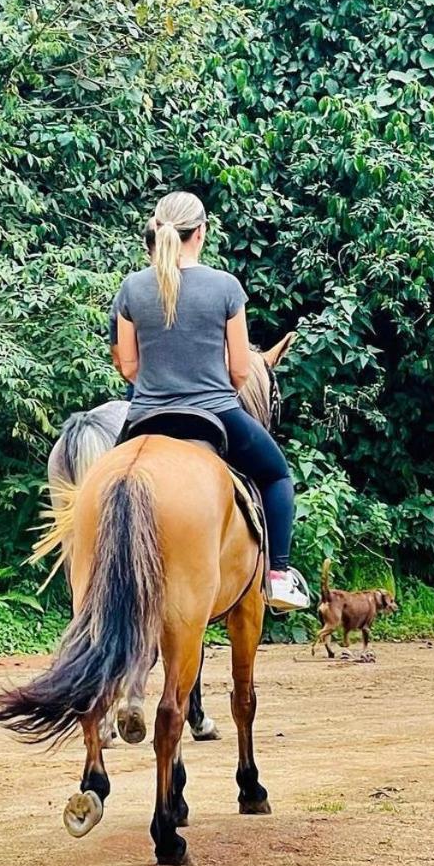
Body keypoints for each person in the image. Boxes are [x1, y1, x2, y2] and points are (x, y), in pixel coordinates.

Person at [113, 191, 308, 611]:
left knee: (107, 485)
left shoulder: (132, 288)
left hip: (145, 416)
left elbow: (127, 366)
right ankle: (278, 576)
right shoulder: (225, 287)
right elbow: (241, 369)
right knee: (277, 476)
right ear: (200, 233)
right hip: (214, 413)